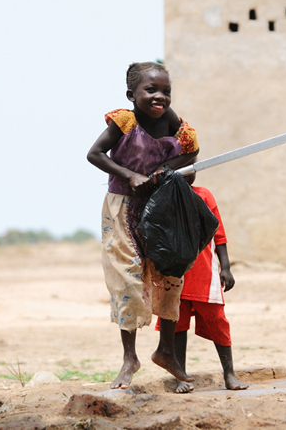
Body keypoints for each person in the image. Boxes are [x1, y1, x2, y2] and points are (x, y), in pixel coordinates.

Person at [87, 61, 199, 389]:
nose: (159, 96)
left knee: (168, 275)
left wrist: (168, 166)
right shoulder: (125, 122)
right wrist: (131, 175)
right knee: (127, 280)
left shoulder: (173, 121)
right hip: (122, 208)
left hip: (162, 208)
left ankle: (166, 352)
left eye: (166, 91)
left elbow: (192, 152)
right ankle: (129, 358)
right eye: (151, 90)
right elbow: (94, 154)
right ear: (131, 94)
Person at [154, 170, 249, 393]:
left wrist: (225, 267)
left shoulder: (204, 195)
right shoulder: (163, 196)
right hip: (174, 273)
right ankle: (181, 377)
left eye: (191, 168)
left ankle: (229, 374)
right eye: (181, 169)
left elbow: (219, 233)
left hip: (204, 273)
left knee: (217, 319)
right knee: (176, 323)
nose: (187, 173)